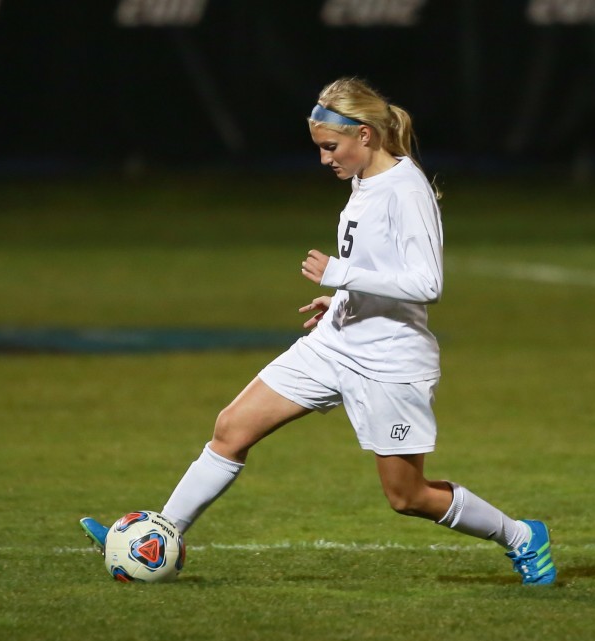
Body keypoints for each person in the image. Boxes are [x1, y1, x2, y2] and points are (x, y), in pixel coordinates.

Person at [80, 77, 556, 585]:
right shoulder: (364, 182)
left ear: (366, 136)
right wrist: (343, 299)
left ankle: (523, 537)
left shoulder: (407, 190)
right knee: (231, 428)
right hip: (336, 341)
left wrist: (341, 275)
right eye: (320, 148)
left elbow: (427, 283)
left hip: (389, 361)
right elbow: (382, 267)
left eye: (331, 147)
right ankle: (158, 536)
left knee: (406, 496)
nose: (325, 159)